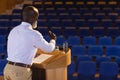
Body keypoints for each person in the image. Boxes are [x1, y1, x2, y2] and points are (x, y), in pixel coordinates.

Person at [4, 6, 56, 80]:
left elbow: (20, 48)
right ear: (33, 18)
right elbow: (49, 49)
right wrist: (53, 40)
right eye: (36, 17)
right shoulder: (34, 34)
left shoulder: (13, 30)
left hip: (8, 68)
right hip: (20, 72)